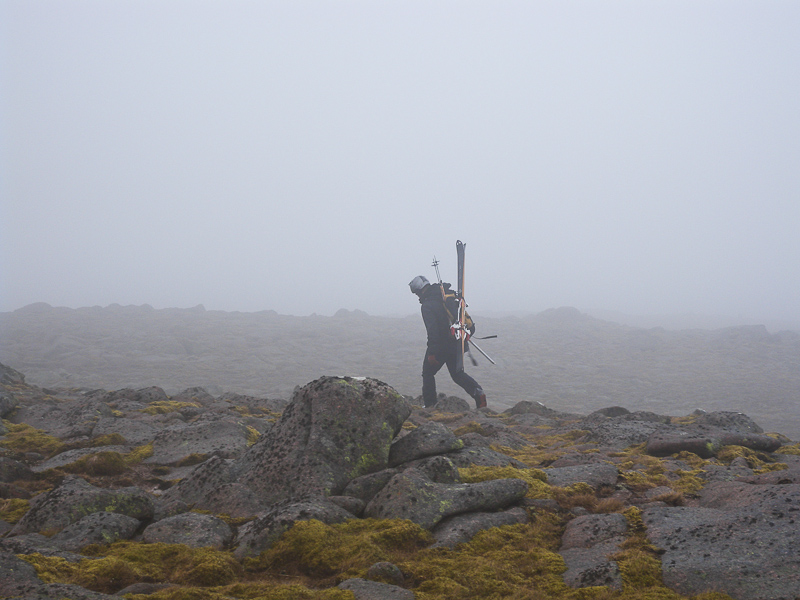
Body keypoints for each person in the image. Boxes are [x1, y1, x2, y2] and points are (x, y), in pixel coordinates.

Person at [409, 275, 487, 410]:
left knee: (428, 373)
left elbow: (433, 332)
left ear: (420, 290)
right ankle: (478, 393)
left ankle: (430, 405)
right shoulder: (446, 297)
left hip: (441, 346)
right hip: (457, 342)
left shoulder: (428, 306)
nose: (417, 296)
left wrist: (432, 353)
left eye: (416, 293)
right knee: (457, 374)